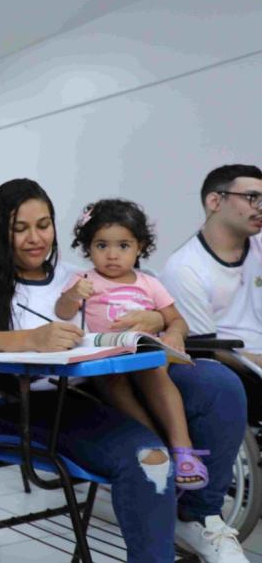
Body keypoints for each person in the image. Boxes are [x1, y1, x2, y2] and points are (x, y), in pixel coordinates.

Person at [0, 179, 247, 563]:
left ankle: (197, 517)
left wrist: (152, 318)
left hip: (102, 384)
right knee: (147, 456)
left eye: (44, 224)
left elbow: (146, 309)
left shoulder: (76, 276)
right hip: (34, 406)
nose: (35, 238)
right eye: (20, 229)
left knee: (219, 383)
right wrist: (31, 339)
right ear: (0, 230)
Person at [54, 199, 201, 488]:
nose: (112, 255)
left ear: (140, 247)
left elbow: (177, 320)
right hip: (105, 359)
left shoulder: (148, 283)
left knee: (156, 377)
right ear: (88, 247)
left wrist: (173, 334)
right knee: (114, 385)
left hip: (143, 355)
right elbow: (62, 312)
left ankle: (183, 447)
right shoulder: (84, 280)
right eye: (101, 246)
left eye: (123, 246)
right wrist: (72, 295)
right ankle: (154, 443)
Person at [162, 164, 262, 363]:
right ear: (215, 201)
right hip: (241, 370)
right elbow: (205, 349)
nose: (260, 207)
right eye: (252, 198)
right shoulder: (184, 269)